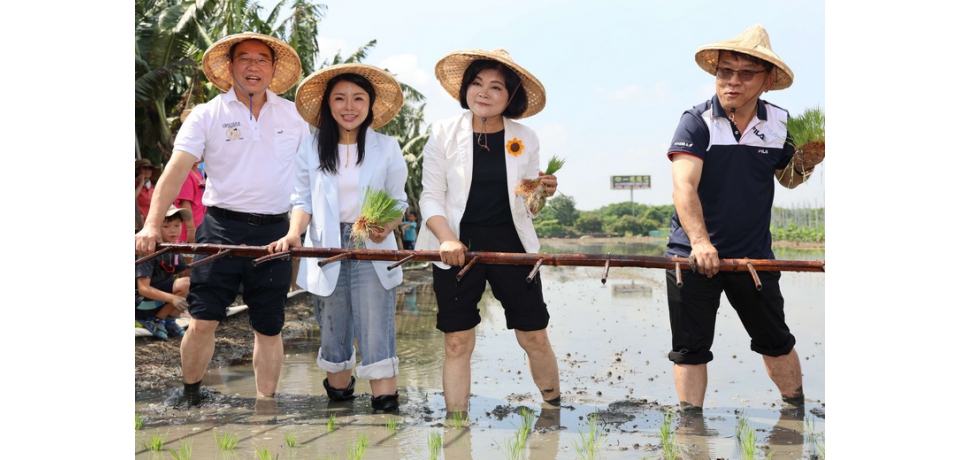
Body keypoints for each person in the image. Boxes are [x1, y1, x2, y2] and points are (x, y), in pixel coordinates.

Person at [135, 32, 309, 405]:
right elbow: (176, 170)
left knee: (269, 325)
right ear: (229, 67)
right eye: (244, 59)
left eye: (262, 59)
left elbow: (308, 179)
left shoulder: (294, 116)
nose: (253, 66)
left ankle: (266, 406)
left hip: (276, 232)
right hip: (221, 228)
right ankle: (192, 394)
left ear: (273, 69)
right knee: (202, 320)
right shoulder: (207, 114)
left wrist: (297, 230)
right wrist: (151, 225)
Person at [664, 24, 809, 413]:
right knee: (689, 348)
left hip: (753, 258)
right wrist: (700, 242)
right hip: (692, 257)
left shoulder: (780, 124)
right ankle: (690, 427)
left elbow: (788, 179)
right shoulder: (696, 121)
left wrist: (807, 164)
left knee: (775, 339)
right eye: (725, 72)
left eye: (746, 74)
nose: (732, 82)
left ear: (768, 80)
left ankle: (796, 412)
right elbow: (684, 187)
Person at [416, 48, 561, 415]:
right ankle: (455, 426)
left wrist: (541, 192)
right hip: (455, 244)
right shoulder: (443, 133)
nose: (484, 92)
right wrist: (447, 237)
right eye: (477, 83)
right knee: (456, 341)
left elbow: (528, 208)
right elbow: (430, 197)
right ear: (465, 88)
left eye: (496, 87)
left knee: (534, 336)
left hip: (510, 243)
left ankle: (555, 410)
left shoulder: (524, 137)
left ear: (510, 97)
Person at [268, 64, 407, 411]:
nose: (350, 106)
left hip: (371, 244)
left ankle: (385, 415)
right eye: (340, 98)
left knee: (376, 328)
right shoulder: (312, 147)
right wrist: (293, 233)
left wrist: (386, 225)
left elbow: (398, 200)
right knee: (333, 331)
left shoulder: (387, 147)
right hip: (326, 245)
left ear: (370, 104)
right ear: (328, 105)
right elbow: (302, 199)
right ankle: (340, 414)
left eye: (358, 98)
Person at [136, 205, 192, 340]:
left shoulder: (173, 249)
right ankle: (156, 320)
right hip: (140, 304)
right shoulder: (146, 251)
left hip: (158, 300)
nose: (173, 231)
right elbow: (143, 289)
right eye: (166, 227)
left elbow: (185, 274)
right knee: (187, 284)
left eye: (177, 225)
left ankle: (168, 321)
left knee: (195, 283)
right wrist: (172, 298)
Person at [175, 160, 206, 243]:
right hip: (189, 229)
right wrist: (191, 229)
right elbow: (185, 202)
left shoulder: (197, 172)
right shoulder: (185, 173)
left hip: (200, 227)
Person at [135, 159, 162, 225]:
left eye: (150, 168)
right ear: (137, 170)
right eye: (143, 168)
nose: (147, 170)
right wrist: (141, 184)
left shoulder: (154, 187)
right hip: (137, 225)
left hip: (151, 225)